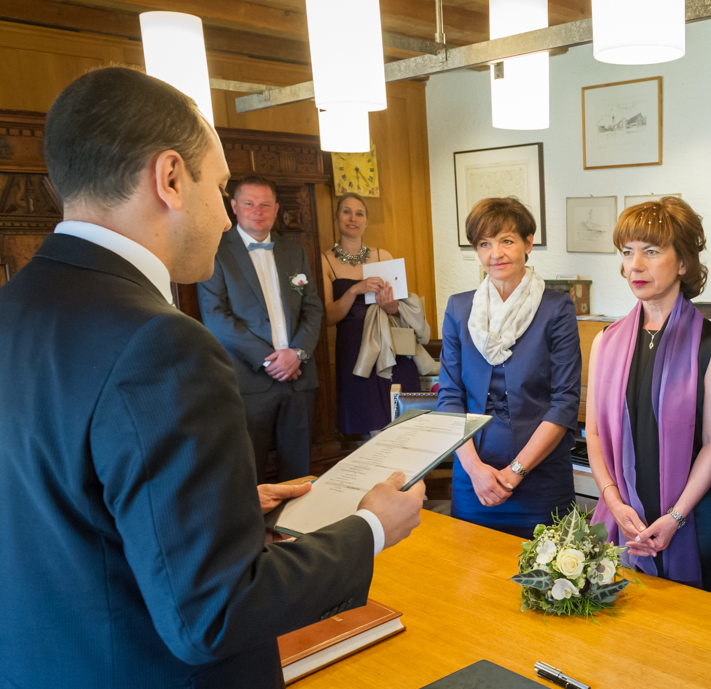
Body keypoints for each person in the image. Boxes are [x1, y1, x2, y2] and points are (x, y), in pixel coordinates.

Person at [0, 67, 425, 689]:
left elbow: (57, 508)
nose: (229, 218)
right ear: (170, 176)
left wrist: (232, 501)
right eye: (220, 188)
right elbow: (212, 614)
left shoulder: (14, 311)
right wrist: (369, 528)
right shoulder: (161, 343)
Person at [585, 198, 711, 593]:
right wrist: (615, 504)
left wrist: (674, 517)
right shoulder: (606, 340)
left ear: (683, 262)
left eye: (651, 252)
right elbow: (595, 434)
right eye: (628, 252)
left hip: (689, 521)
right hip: (618, 521)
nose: (635, 265)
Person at [437, 197, 581, 537]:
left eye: (506, 241)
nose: (495, 254)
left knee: (549, 584)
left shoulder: (556, 308)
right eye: (484, 244)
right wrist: (475, 471)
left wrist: (516, 471)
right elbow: (449, 399)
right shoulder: (459, 309)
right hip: (474, 477)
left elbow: (564, 402)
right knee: (471, 579)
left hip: (540, 477)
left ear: (528, 244)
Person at [198, 175, 323, 481]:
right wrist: (271, 360)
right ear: (234, 207)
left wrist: (297, 353)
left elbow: (313, 308)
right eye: (249, 204)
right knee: (249, 473)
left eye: (265, 205)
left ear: (276, 209)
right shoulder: (215, 251)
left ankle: (298, 530)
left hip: (299, 378)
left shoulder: (294, 251)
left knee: (300, 474)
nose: (258, 211)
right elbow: (216, 317)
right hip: (249, 381)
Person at [322, 193, 435, 436]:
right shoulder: (325, 261)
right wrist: (354, 290)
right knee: (373, 428)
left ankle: (413, 474)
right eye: (346, 211)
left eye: (359, 213)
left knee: (403, 423)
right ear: (336, 217)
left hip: (392, 348)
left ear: (366, 221)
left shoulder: (384, 255)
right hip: (356, 352)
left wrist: (391, 307)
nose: (353, 218)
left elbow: (400, 308)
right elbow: (329, 317)